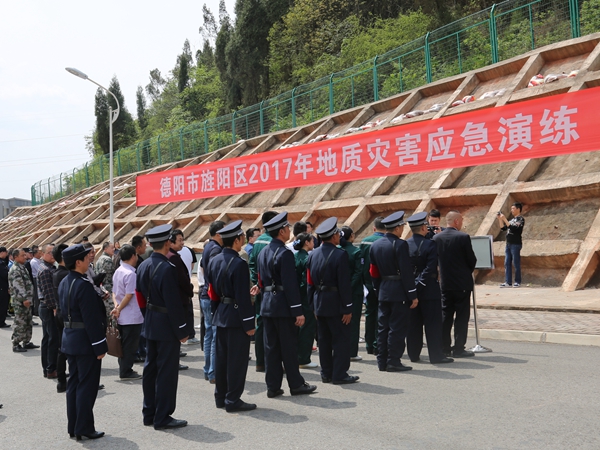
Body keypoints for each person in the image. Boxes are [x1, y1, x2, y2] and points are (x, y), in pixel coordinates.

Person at [257, 212, 317, 397]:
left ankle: (273, 386)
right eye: (287, 228)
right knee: (289, 347)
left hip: (267, 305)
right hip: (283, 306)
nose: (288, 231)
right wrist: (297, 311)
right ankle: (296, 384)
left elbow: (261, 282)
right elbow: (290, 285)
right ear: (282, 231)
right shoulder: (285, 253)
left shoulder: (263, 252)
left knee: (271, 348)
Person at [136, 224, 189, 430]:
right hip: (166, 324)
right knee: (166, 372)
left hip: (150, 320)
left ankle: (149, 412)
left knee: (150, 369)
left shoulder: (143, 265)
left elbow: (140, 294)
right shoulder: (167, 268)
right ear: (167, 243)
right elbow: (173, 303)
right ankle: (163, 416)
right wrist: (182, 330)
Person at [205, 220, 257, 412]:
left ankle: (221, 397)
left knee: (222, 359)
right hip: (236, 316)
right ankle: (233, 399)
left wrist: (215, 312)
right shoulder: (239, 263)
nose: (243, 239)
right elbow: (243, 298)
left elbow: (212, 292)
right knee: (237, 361)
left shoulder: (215, 260)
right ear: (236, 240)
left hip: (221, 313)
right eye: (242, 237)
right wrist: (249, 323)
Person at [58, 244, 108, 440]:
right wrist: (99, 346)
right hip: (86, 341)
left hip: (70, 339)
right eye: (86, 258)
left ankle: (74, 426)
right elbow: (92, 319)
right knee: (87, 386)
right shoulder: (83, 285)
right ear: (78, 262)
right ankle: (84, 427)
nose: (89, 260)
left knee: (74, 385)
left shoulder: (65, 281)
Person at [307, 218, 358, 385]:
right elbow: (344, 284)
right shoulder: (340, 255)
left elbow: (310, 283)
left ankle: (326, 373)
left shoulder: (312, 255)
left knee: (324, 341)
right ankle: (340, 374)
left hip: (319, 302)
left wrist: (312, 306)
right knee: (341, 340)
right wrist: (347, 308)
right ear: (334, 236)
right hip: (336, 303)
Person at [369, 211, 418, 372]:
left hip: (383, 289)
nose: (403, 229)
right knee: (397, 328)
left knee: (383, 327)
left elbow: (373, 272)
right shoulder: (400, 244)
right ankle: (393, 360)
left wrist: (378, 289)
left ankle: (382, 360)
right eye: (402, 226)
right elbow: (406, 272)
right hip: (398, 291)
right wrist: (412, 294)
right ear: (397, 228)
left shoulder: (375, 245)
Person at [405, 212, 453, 364]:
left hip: (411, 289)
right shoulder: (430, 244)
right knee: (433, 324)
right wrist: (421, 283)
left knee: (413, 324)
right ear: (423, 228)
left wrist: (413, 285)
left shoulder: (405, 244)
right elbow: (431, 267)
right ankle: (436, 355)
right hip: (429, 288)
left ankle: (413, 354)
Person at [432, 211, 477, 358]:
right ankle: (459, 348)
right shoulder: (463, 237)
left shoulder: (436, 238)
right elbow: (472, 260)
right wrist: (465, 272)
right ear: (456, 221)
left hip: (445, 283)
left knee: (446, 316)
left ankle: (445, 347)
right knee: (461, 318)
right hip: (462, 284)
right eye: (461, 220)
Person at [248, 211, 278, 373]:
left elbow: (252, 264)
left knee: (260, 323)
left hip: (260, 288)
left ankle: (260, 362)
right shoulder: (273, 242)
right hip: (272, 291)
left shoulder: (258, 241)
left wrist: (256, 283)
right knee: (274, 327)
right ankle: (273, 363)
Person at [111, 245, 143, 380]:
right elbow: (129, 295)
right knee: (130, 345)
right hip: (131, 315)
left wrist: (116, 306)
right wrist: (118, 308)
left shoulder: (118, 271)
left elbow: (114, 292)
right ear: (132, 256)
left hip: (122, 314)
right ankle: (126, 371)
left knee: (123, 344)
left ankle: (124, 369)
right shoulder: (130, 274)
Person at [199, 221, 225, 383]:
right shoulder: (216, 249)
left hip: (205, 294)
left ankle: (208, 369)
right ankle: (213, 372)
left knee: (209, 334)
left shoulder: (208, 247)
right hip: (211, 295)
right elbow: (216, 272)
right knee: (215, 335)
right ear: (218, 233)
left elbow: (203, 268)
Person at [167, 229, 197, 367]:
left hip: (175, 300)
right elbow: (182, 280)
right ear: (171, 242)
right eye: (180, 240)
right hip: (179, 300)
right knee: (176, 331)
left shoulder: (172, 256)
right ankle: (174, 361)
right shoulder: (173, 258)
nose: (182, 243)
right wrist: (190, 290)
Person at [359, 217, 385, 355]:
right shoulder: (387, 241)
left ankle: (369, 344)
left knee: (370, 313)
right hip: (384, 283)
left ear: (374, 228)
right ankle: (378, 344)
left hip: (368, 282)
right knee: (383, 314)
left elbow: (361, 262)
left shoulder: (365, 241)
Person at [293, 233, 317, 369]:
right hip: (305, 298)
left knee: (297, 328)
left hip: (295, 297)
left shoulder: (294, 256)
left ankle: (297, 356)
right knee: (307, 327)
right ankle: (304, 358)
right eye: (312, 240)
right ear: (307, 243)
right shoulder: (307, 258)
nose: (313, 243)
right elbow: (306, 282)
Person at [339, 226, 364, 362]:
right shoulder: (356, 252)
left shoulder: (338, 250)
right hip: (354, 292)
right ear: (352, 236)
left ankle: (340, 349)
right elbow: (358, 272)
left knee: (340, 321)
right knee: (353, 322)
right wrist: (349, 287)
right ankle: (352, 352)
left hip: (338, 292)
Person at [37, 244, 60, 378]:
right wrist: (54, 308)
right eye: (50, 253)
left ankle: (48, 368)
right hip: (48, 307)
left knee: (48, 338)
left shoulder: (50, 267)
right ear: (43, 254)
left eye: (54, 253)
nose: (53, 255)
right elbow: (49, 293)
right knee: (53, 339)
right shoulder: (45, 270)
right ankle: (51, 368)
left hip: (46, 307)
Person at [9, 249, 37, 352]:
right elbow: (18, 286)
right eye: (22, 255)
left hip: (27, 300)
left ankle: (26, 341)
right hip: (20, 301)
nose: (25, 257)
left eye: (25, 255)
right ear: (15, 257)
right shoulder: (15, 269)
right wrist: (24, 299)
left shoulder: (22, 267)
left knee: (28, 322)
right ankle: (16, 343)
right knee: (20, 323)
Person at [52, 243, 70, 393]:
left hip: (59, 312)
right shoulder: (65, 274)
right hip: (67, 315)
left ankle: (61, 381)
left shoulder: (57, 273)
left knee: (62, 349)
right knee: (72, 349)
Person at [498, 202, 525, 288]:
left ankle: (517, 281)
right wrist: (500, 219)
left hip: (516, 244)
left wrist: (504, 219)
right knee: (507, 263)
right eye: (511, 209)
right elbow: (503, 228)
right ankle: (508, 282)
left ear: (518, 209)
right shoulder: (511, 220)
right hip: (508, 244)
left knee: (516, 263)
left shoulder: (520, 219)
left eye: (513, 208)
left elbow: (513, 228)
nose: (512, 210)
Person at [0, 247, 9, 328]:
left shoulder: (3, 262)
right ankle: (1, 322)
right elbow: (5, 275)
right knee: (3, 305)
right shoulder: (1, 263)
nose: (7, 254)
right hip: (2, 287)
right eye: (6, 252)